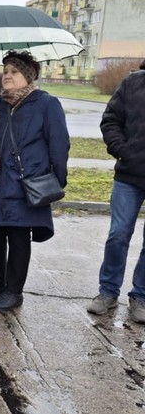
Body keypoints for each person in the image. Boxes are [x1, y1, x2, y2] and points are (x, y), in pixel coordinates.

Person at [0, 50, 70, 312]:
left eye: (14, 71)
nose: (7, 76)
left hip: (26, 183)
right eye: (5, 71)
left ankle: (14, 291)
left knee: (18, 236)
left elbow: (59, 144)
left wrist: (55, 181)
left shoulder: (46, 103)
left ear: (28, 76)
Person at [87, 59, 145, 323]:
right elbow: (110, 120)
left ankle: (140, 296)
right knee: (118, 234)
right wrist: (123, 150)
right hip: (129, 175)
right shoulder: (132, 83)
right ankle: (108, 292)